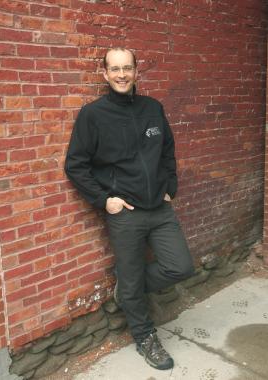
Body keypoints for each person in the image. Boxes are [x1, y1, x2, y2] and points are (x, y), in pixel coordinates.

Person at [65, 47, 194, 370]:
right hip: (125, 214)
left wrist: (170, 187)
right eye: (115, 69)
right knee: (133, 276)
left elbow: (167, 149)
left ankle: (129, 287)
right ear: (105, 74)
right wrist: (105, 200)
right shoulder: (93, 115)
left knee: (180, 267)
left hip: (160, 210)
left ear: (137, 71)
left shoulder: (153, 108)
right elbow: (76, 165)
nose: (122, 74)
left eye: (127, 68)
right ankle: (145, 337)